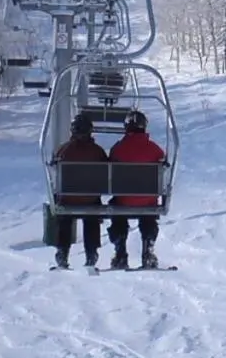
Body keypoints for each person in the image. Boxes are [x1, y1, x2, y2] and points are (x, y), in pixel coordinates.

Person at [106, 108, 166, 269]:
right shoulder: (154, 148)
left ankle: (120, 253)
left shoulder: (118, 148)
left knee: (117, 209)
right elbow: (163, 162)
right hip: (148, 200)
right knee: (148, 214)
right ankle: (148, 251)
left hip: (124, 200)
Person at [51, 113, 108, 268]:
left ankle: (62, 252)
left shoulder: (63, 150)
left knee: (64, 215)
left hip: (67, 199)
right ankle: (91, 253)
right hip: (90, 199)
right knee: (91, 214)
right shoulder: (97, 151)